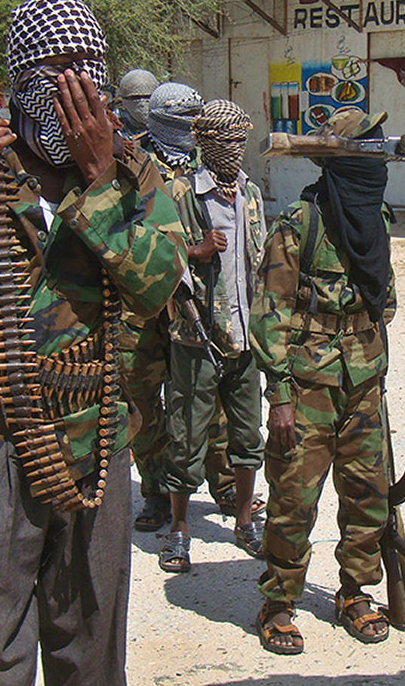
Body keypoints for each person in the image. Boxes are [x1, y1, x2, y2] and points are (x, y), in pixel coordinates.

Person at [0, 0, 187, 684]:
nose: (74, 89)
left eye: (89, 70)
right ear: (20, 77)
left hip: (94, 445)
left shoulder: (133, 173)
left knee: (90, 650)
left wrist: (99, 179)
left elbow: (155, 288)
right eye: (55, 70)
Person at [249, 107, 398, 655]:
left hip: (364, 381)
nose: (378, 167)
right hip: (307, 383)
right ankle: (279, 601)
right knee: (294, 495)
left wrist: (371, 361)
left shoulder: (377, 219)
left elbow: (385, 300)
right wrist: (280, 397)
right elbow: (269, 312)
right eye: (368, 154)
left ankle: (356, 592)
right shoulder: (299, 223)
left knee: (368, 494)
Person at [126, 81, 242, 531]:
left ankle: (224, 482)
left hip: (198, 303)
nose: (192, 129)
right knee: (144, 401)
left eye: (196, 119)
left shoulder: (208, 159)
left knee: (206, 394)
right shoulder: (132, 164)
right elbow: (121, 235)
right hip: (143, 305)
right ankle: (156, 491)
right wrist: (188, 252)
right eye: (183, 120)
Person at [159, 98, 266, 573]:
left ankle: (244, 520)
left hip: (244, 336)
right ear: (203, 141)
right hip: (196, 336)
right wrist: (194, 250)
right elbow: (155, 254)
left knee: (247, 434)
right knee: (186, 434)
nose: (234, 148)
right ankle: (179, 528)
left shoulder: (250, 193)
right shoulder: (180, 192)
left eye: (240, 139)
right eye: (225, 140)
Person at [115, 68, 158, 138]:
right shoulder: (114, 126)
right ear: (124, 100)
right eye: (135, 97)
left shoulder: (165, 126)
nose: (142, 103)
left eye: (147, 97)